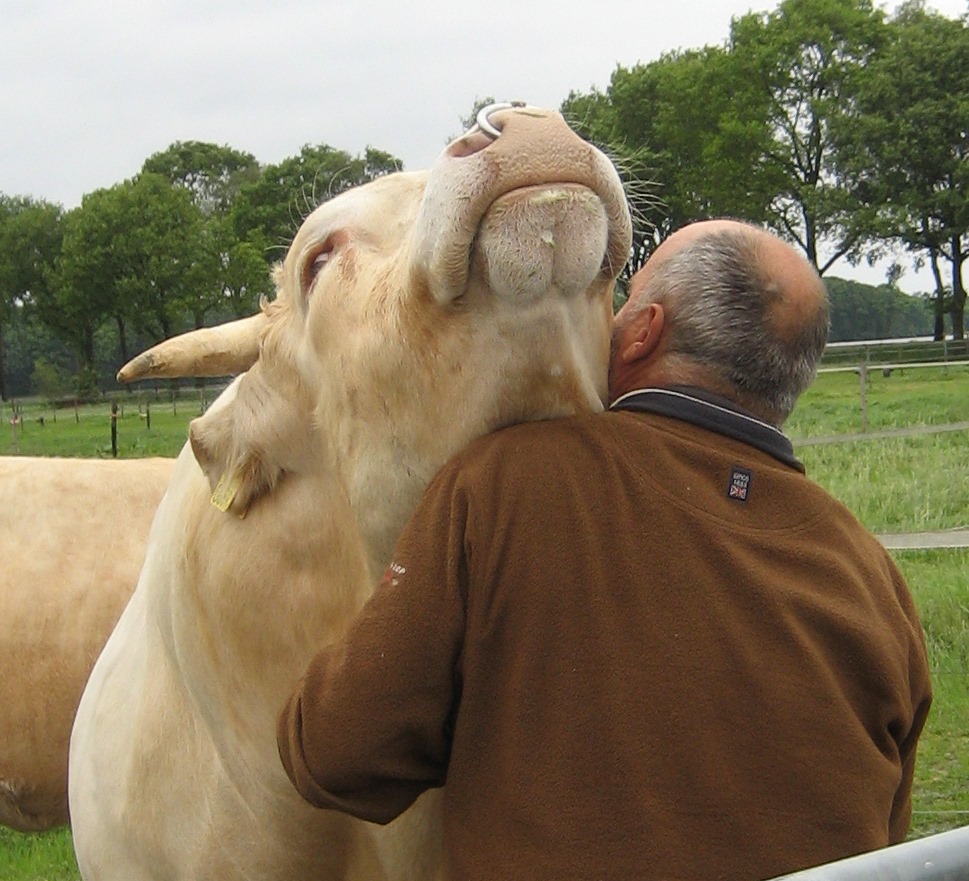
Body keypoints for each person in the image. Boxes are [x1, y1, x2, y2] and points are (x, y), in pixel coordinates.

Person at [277, 219, 932, 881]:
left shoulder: (502, 485)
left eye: (621, 302)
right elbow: (884, 836)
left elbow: (336, 755)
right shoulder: (872, 578)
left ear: (643, 329)